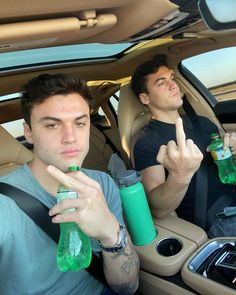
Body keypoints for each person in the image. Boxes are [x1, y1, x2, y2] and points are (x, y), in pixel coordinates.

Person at [0, 73, 139, 295]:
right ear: (29, 132)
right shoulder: (4, 204)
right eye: (53, 125)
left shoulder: (102, 184)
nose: (71, 137)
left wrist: (110, 234)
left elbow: (128, 286)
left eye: (80, 123)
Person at [131, 55, 236, 232]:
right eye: (161, 82)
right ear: (145, 98)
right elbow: (158, 209)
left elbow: (226, 168)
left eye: (172, 78)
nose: (173, 85)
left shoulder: (203, 122)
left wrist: (233, 153)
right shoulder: (146, 142)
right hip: (218, 218)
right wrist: (180, 175)